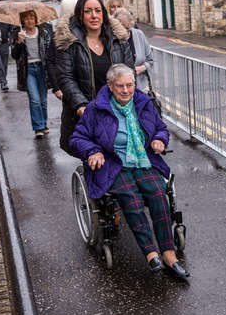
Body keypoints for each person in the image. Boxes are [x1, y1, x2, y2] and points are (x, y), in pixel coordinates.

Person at [68, 64, 190, 280]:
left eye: (130, 85)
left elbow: (160, 128)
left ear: (135, 84)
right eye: (120, 86)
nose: (126, 90)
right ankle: (151, 254)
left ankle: (169, 255)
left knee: (158, 194)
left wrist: (159, 140)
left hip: (143, 161)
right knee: (131, 201)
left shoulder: (144, 103)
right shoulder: (96, 109)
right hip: (113, 164)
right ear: (110, 86)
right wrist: (93, 151)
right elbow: (77, 138)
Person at [55, 0, 133, 157]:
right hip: (86, 111)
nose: (94, 16)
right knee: (95, 157)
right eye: (88, 11)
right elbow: (66, 78)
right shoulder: (69, 41)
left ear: (103, 14)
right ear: (80, 15)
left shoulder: (118, 38)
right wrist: (81, 105)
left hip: (116, 110)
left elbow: (128, 73)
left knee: (121, 156)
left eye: (98, 10)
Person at [11, 10, 54, 138]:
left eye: (32, 18)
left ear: (36, 19)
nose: (30, 21)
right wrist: (19, 42)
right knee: (34, 100)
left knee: (43, 100)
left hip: (42, 69)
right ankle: (38, 127)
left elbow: (50, 51)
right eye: (26, 18)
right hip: (28, 70)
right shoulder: (18, 33)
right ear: (22, 20)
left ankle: (44, 123)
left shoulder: (43, 32)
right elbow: (14, 55)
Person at [45, 0, 78, 102]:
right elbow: (51, 60)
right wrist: (56, 87)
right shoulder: (58, 36)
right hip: (67, 84)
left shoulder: (87, 33)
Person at [113, 8, 153, 92]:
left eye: (127, 28)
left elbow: (150, 60)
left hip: (141, 89)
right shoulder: (112, 39)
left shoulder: (139, 34)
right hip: (120, 92)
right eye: (121, 29)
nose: (125, 32)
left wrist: (141, 68)